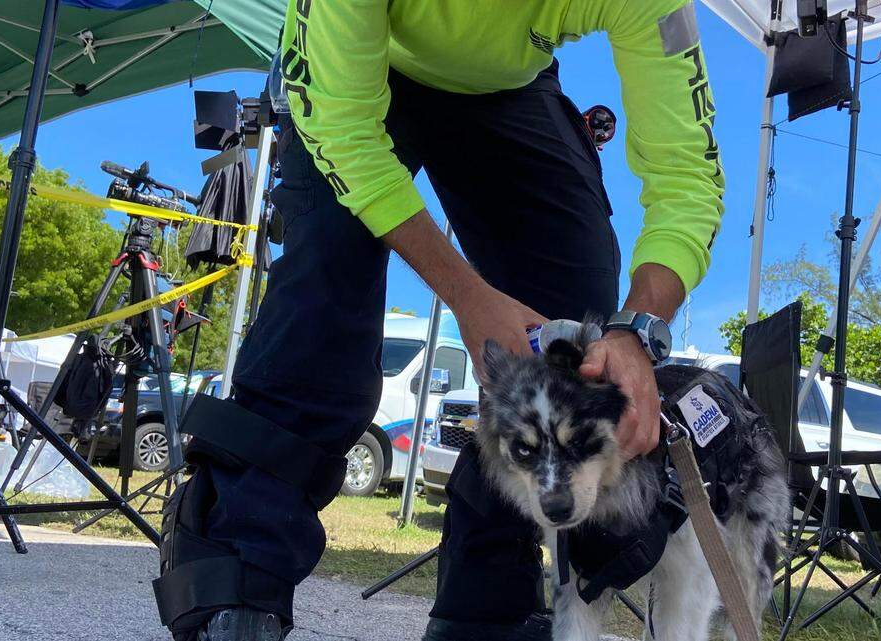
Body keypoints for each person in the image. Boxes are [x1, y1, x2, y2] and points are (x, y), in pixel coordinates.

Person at [152, 1, 725, 640]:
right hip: (370, 72)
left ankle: (489, 608)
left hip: (512, 90)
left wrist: (638, 329)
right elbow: (342, 128)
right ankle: (238, 574)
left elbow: (686, 172)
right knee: (325, 286)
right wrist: (467, 294)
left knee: (574, 313)